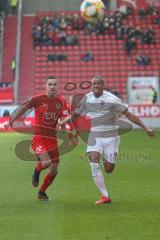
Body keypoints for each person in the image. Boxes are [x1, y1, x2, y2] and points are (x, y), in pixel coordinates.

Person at [57, 76, 155, 205]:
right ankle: (105, 195)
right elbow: (75, 115)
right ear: (92, 85)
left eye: (98, 84)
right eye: (94, 84)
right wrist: (61, 123)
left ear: (103, 85)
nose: (96, 86)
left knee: (108, 169)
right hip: (95, 135)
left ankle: (105, 159)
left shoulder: (113, 99)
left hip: (111, 137)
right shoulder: (87, 98)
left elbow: (129, 115)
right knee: (93, 162)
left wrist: (145, 127)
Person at [4, 76, 70, 201]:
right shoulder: (37, 99)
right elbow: (23, 108)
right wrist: (10, 121)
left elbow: (63, 118)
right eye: (50, 84)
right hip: (39, 138)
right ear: (46, 86)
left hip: (52, 139)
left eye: (55, 84)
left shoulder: (61, 102)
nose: (52, 87)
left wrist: (63, 128)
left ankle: (42, 192)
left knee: (54, 171)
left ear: (58, 86)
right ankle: (36, 171)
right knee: (46, 163)